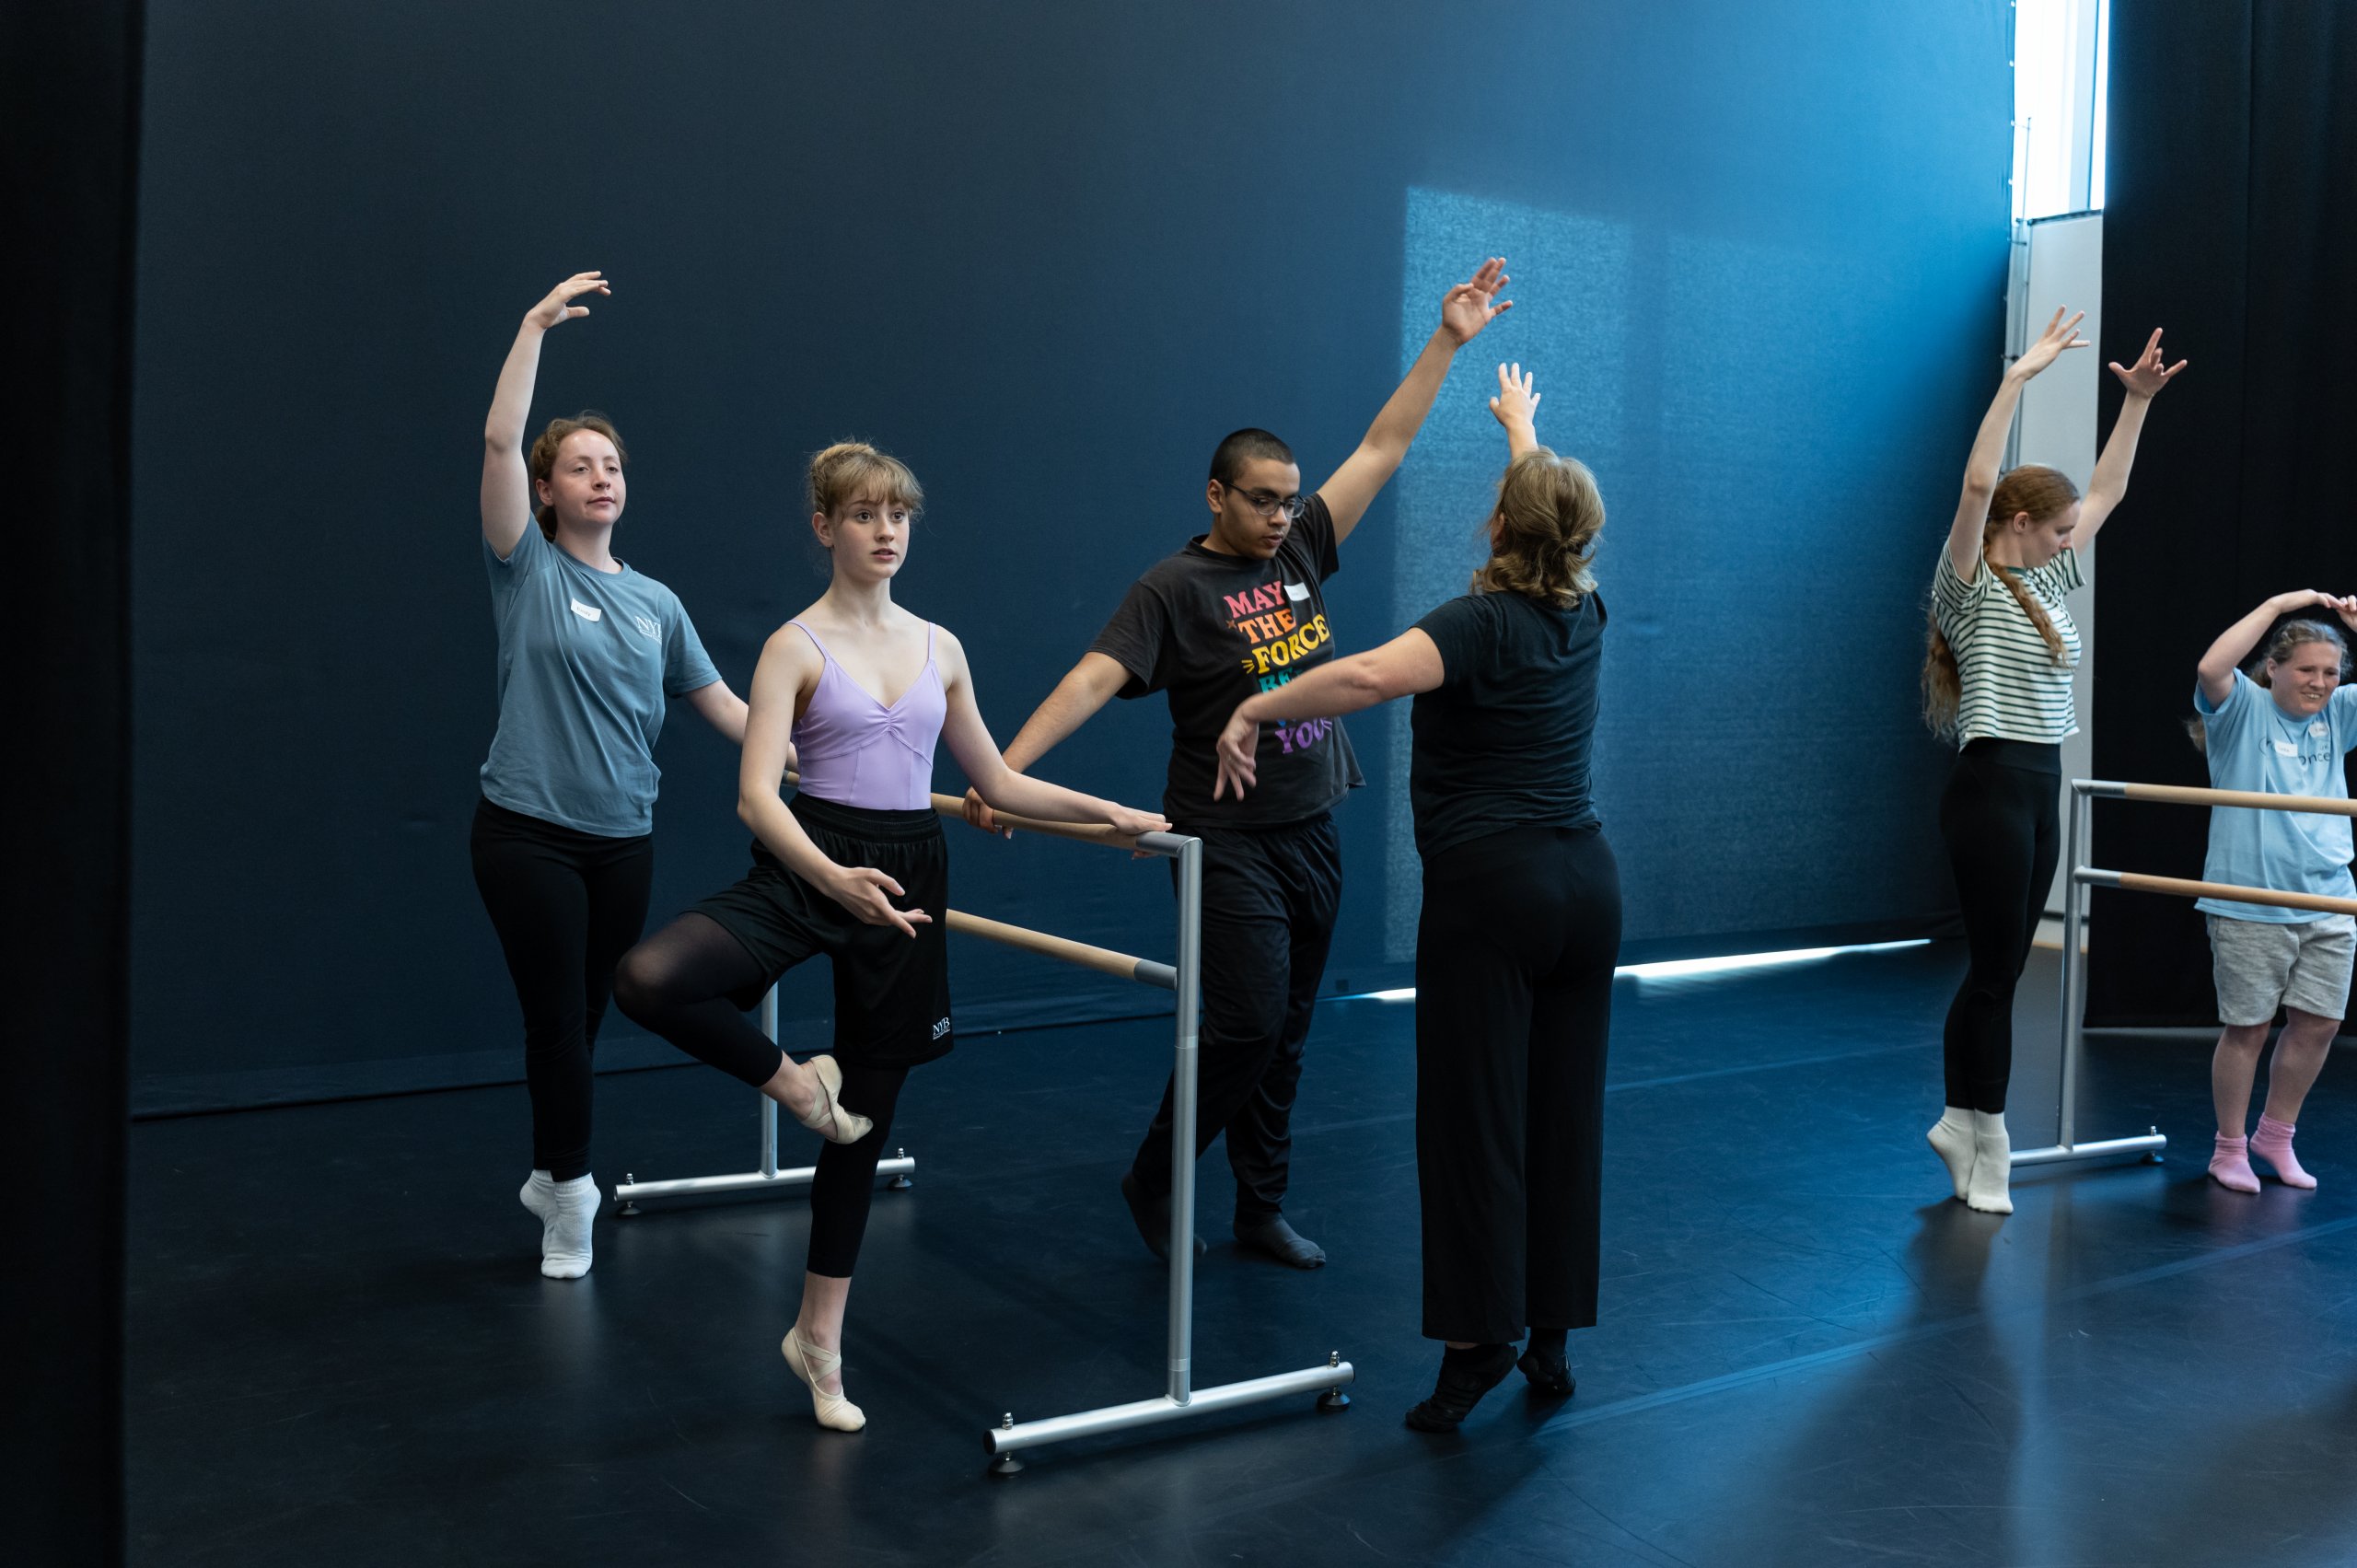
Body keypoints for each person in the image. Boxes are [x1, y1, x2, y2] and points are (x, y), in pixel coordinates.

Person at [966, 258, 1515, 1270]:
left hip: (1313, 823)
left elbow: (1384, 445)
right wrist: (1002, 770)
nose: (1278, 515)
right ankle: (1156, 1172)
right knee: (1247, 1024)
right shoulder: (1171, 587)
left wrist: (1447, 339)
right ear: (1215, 493)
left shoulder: (1301, 548)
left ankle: (1260, 1206)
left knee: (1289, 1033)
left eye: (1287, 500)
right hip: (1224, 839)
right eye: (1260, 500)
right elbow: (1092, 679)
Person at [613, 441, 1167, 1433]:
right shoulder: (792, 644)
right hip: (807, 859)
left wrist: (1109, 813)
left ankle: (817, 1340)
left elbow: (995, 782)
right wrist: (831, 879)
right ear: (824, 526)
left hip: (908, 873)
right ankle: (794, 1084)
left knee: (863, 1133)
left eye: (897, 515)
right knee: (651, 979)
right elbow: (754, 794)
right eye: (863, 514)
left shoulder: (939, 646)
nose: (884, 531)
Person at [1212, 362, 1615, 1431]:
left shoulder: (1476, 623)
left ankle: (1477, 1341)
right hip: (1586, 885)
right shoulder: (1586, 609)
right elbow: (1547, 512)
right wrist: (1524, 427)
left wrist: (1256, 710)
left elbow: (1361, 678)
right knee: (1563, 1112)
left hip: (1497, 890)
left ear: (1497, 524)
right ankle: (1551, 1334)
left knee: (1475, 1120)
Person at [471, 272, 749, 1281]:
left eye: (613, 466)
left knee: (583, 1023)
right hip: (525, 831)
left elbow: (725, 708)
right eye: (580, 467)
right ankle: (572, 1199)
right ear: (547, 491)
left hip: (621, 840)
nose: (601, 478)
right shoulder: (526, 569)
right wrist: (532, 325)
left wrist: (813, 749)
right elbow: (501, 443)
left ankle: (551, 1169)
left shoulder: (658, 604)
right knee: (556, 1019)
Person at [1922, 309, 2185, 1215]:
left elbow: (2106, 492)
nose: (2075, 535)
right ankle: (1985, 1129)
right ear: (2023, 522)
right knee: (1998, 970)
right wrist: (2017, 378)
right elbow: (1974, 481)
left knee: (1998, 970)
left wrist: (2136, 405)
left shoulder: (2045, 578)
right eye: (2059, 525)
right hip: (1991, 783)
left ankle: (1963, 1118)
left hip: (2042, 783)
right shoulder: (1968, 579)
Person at [2189, 594, 2357, 1192]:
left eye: (2331, 672)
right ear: (2274, 668)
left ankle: (2276, 1136)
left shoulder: (2340, 713)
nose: (2319, 682)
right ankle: (2228, 1148)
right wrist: (2283, 605)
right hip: (2250, 901)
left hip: (2331, 897)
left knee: (2319, 1023)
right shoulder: (2242, 711)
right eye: (2307, 669)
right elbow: (2212, 668)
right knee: (2249, 1028)